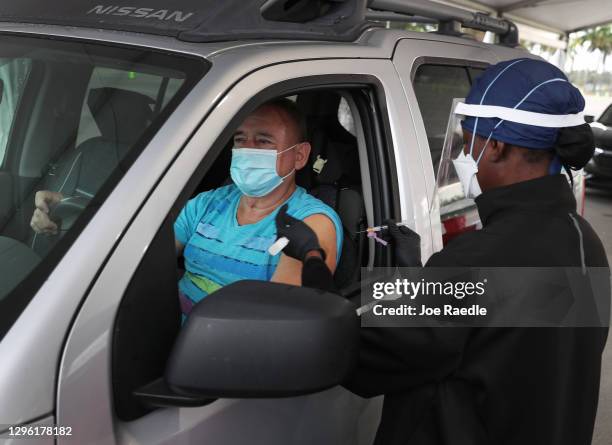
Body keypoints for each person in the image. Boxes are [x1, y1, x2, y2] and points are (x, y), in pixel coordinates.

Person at [275, 59, 610, 445]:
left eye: (468, 145)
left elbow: (352, 351)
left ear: (497, 146)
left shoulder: (476, 262)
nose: (462, 158)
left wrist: (313, 259)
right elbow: (498, 338)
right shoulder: (584, 241)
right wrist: (417, 283)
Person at [33, 98, 344, 321]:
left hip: (221, 362)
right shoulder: (209, 203)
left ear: (300, 156)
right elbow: (139, 250)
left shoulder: (310, 224)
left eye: (263, 142)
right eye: (241, 140)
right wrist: (70, 212)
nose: (248, 150)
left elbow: (275, 324)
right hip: (161, 332)